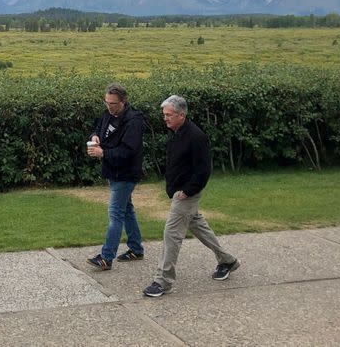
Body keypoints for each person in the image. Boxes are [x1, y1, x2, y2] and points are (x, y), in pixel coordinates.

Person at [143, 95, 240, 297]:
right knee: (198, 226)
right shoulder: (175, 132)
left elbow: (203, 171)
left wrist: (187, 191)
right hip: (178, 191)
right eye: (164, 115)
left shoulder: (196, 137)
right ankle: (228, 261)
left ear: (181, 114)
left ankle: (163, 281)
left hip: (187, 194)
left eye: (169, 115)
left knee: (172, 234)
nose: (165, 119)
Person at [86, 83, 145, 271]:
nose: (109, 106)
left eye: (113, 103)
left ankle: (106, 257)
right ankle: (136, 249)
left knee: (115, 214)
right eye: (107, 102)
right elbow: (99, 129)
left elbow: (128, 151)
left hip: (125, 173)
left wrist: (104, 154)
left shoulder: (133, 121)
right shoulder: (108, 115)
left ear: (123, 101)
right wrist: (95, 137)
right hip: (112, 171)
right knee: (126, 209)